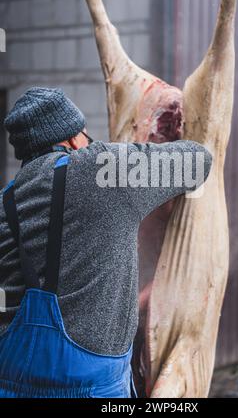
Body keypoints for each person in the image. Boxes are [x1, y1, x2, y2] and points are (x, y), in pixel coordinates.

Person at [0, 87, 212, 398]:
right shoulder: (100, 168)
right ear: (74, 138)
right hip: (90, 387)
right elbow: (197, 161)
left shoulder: (6, 199)